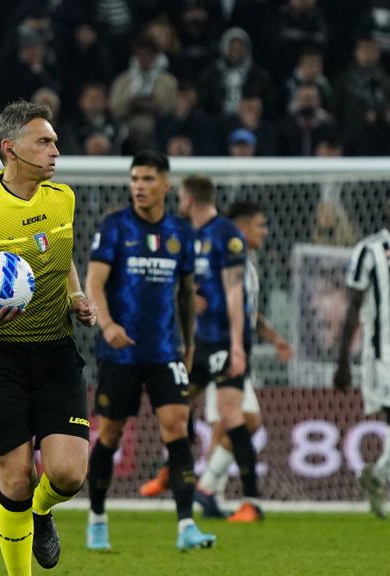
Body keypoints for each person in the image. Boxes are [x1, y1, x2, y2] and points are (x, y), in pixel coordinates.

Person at [0, 100, 97, 574]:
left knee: (68, 475)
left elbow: (61, 254)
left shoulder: (62, 198)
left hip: (56, 353)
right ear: (11, 149)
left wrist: (77, 296)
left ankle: (43, 511)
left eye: (54, 141)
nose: (56, 150)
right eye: (44, 141)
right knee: (16, 475)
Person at [84, 151, 214, 551]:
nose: (139, 185)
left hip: (164, 351)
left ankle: (186, 525)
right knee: (109, 433)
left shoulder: (181, 233)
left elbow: (186, 295)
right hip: (119, 352)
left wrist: (189, 345)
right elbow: (94, 283)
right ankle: (98, 518)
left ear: (166, 186)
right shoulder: (115, 226)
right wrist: (107, 326)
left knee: (176, 428)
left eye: (147, 179)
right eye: (135, 178)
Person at [195, 201, 293, 518]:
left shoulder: (248, 266)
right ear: (241, 229)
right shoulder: (221, 262)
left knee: (232, 423)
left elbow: (250, 312)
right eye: (260, 225)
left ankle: (207, 491)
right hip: (219, 350)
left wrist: (274, 338)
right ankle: (206, 491)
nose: (265, 231)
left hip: (237, 352)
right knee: (236, 422)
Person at [178, 175, 263, 523]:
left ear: (188, 199)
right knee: (176, 404)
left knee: (233, 417)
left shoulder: (226, 234)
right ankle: (187, 478)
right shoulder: (190, 237)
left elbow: (234, 294)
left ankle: (252, 501)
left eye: (180, 197)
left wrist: (239, 348)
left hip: (227, 342)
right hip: (202, 342)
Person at [334, 201, 390, 520]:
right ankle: (378, 476)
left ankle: (378, 475)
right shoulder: (369, 250)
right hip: (384, 353)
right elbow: (353, 305)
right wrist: (343, 361)